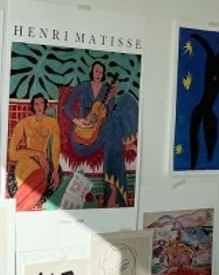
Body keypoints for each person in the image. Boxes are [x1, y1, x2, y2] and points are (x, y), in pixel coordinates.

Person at [63, 60, 138, 207]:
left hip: (99, 132)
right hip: (81, 138)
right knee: (114, 127)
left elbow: (107, 115)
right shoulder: (83, 86)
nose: (98, 74)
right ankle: (115, 191)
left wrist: (111, 99)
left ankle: (111, 193)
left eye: (101, 72)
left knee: (126, 101)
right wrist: (77, 120)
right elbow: (66, 107)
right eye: (96, 70)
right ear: (92, 71)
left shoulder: (106, 89)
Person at [8, 94, 61, 210]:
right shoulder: (24, 123)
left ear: (45, 105)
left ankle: (19, 207)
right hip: (27, 162)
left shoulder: (52, 123)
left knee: (45, 178)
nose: (39, 107)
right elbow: (12, 154)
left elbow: (56, 149)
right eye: (36, 104)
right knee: (39, 176)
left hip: (45, 163)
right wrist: (37, 154)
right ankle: (19, 207)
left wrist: (56, 170)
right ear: (32, 106)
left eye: (41, 103)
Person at [188, 33, 219, 169]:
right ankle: (195, 160)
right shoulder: (212, 63)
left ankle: (208, 157)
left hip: (208, 108)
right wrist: (195, 36)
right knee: (195, 133)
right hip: (203, 106)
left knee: (210, 130)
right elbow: (207, 47)